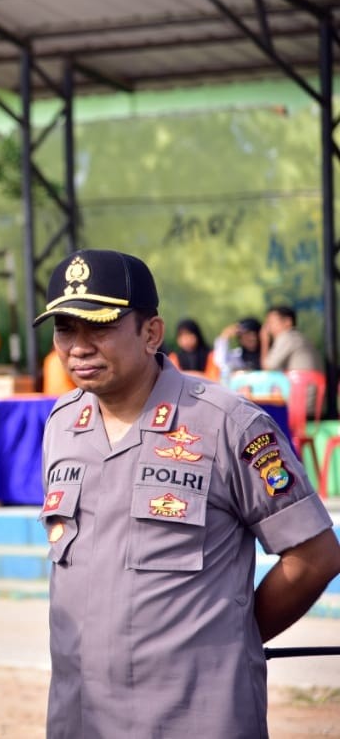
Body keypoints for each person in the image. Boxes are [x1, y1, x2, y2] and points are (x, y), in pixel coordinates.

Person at [34, 249, 340, 738]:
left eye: (101, 326)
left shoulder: (226, 424)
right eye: (65, 329)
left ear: (151, 333)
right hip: (81, 716)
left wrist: (232, 638)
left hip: (196, 716)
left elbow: (314, 556)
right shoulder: (63, 424)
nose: (79, 347)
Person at [262, 304, 324, 373]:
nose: (268, 328)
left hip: (300, 379)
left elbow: (268, 367)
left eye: (271, 322)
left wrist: (264, 341)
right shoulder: (301, 338)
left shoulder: (287, 337)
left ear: (288, 322)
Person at [212, 316, 262, 384]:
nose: (248, 339)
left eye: (251, 334)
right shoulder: (238, 355)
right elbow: (220, 362)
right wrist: (224, 336)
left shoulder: (266, 354)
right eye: (242, 336)